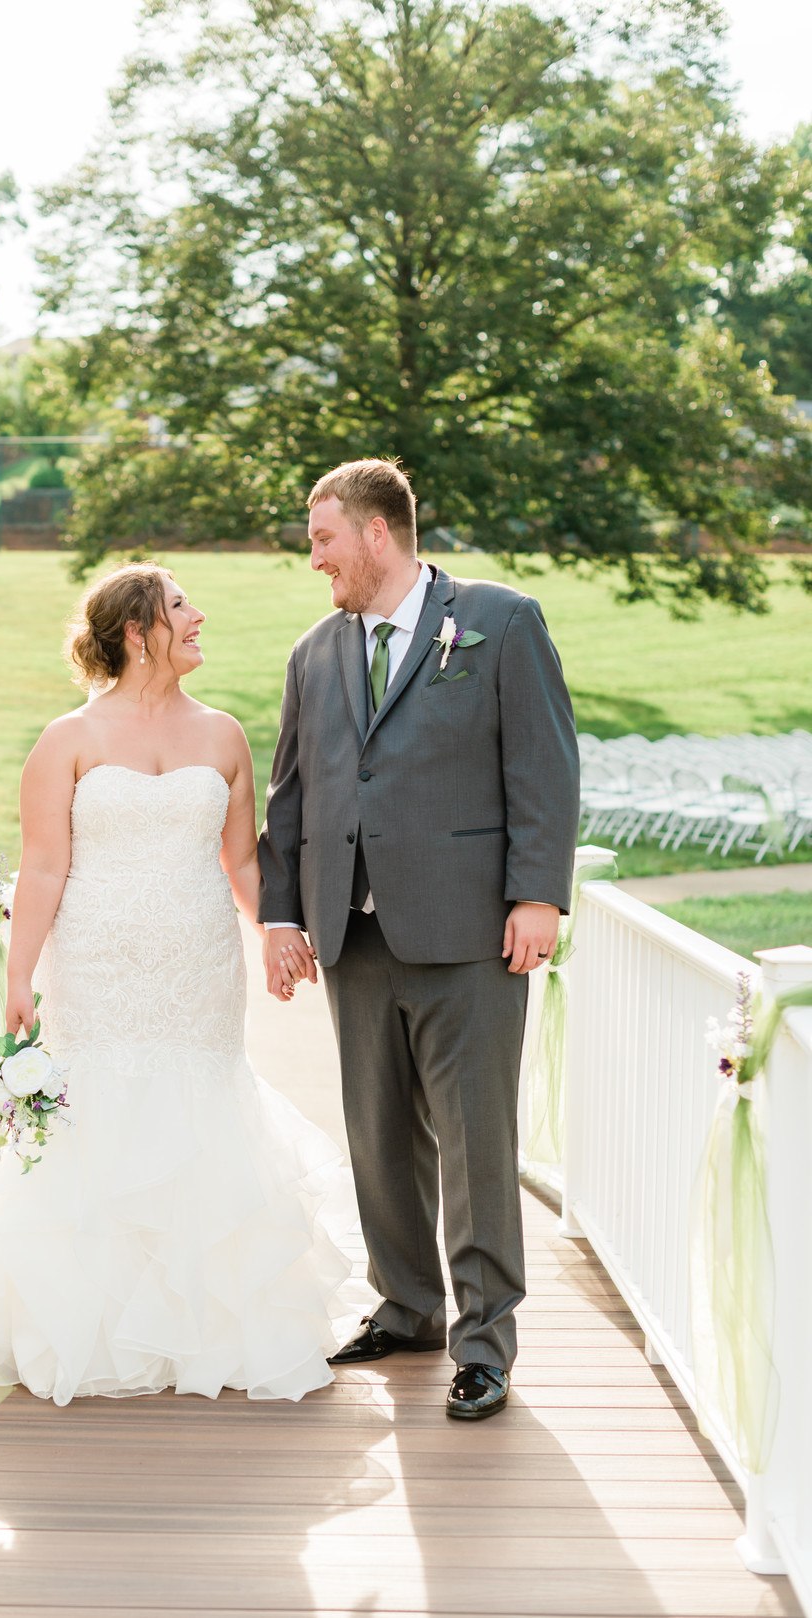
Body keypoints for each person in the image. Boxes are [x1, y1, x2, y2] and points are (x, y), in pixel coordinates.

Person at [0, 563, 361, 1405]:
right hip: (98, 964)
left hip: (197, 964)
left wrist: (274, 928)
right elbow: (46, 867)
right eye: (181, 607)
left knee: (198, 1103)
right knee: (102, 1111)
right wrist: (21, 976)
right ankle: (90, 1329)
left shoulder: (225, 734)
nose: (200, 617)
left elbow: (240, 859)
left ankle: (200, 1333)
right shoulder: (67, 740)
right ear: (135, 631)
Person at [258, 459, 580, 1421]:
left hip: (470, 932)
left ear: (376, 535)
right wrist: (283, 914)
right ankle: (406, 1306)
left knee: (478, 1145)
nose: (314, 560)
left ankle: (484, 1343)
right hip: (353, 940)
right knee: (379, 1138)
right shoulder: (315, 652)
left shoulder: (500, 621)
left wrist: (538, 896)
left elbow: (544, 766)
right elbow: (290, 796)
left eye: (323, 539)